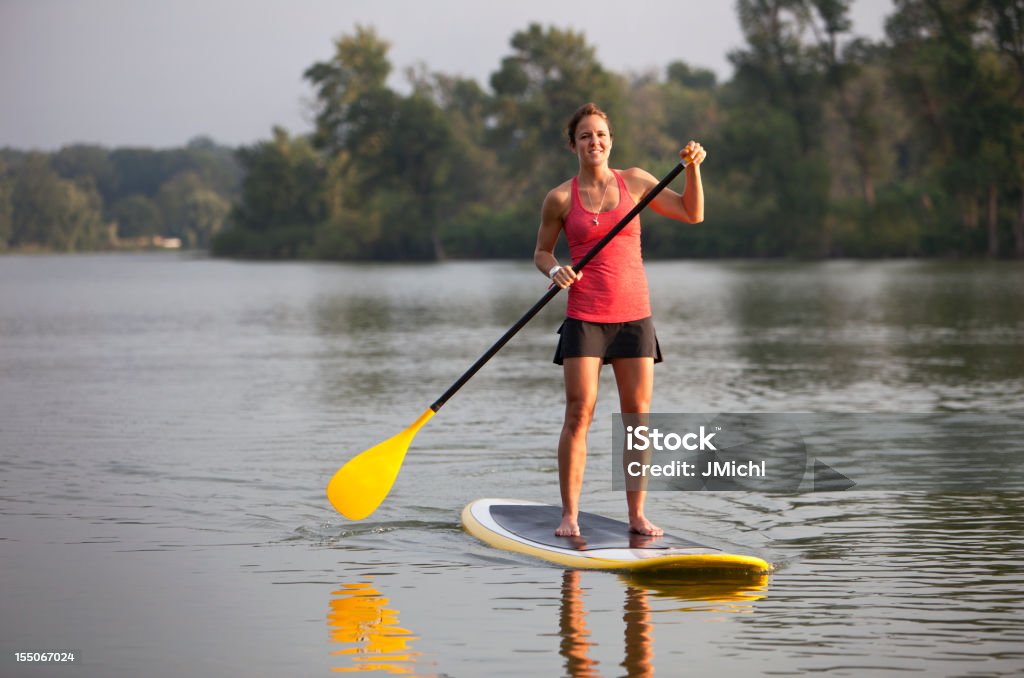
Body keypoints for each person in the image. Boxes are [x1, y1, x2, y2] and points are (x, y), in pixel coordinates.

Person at [533, 102, 706, 537]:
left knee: (637, 417)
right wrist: (556, 270)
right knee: (579, 412)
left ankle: (636, 516)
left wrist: (693, 170)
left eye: (602, 135)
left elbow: (692, 212)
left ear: (612, 141)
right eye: (586, 136)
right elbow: (542, 252)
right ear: (574, 144)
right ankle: (570, 516)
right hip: (585, 316)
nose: (595, 142)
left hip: (633, 316)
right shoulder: (559, 198)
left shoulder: (636, 182)